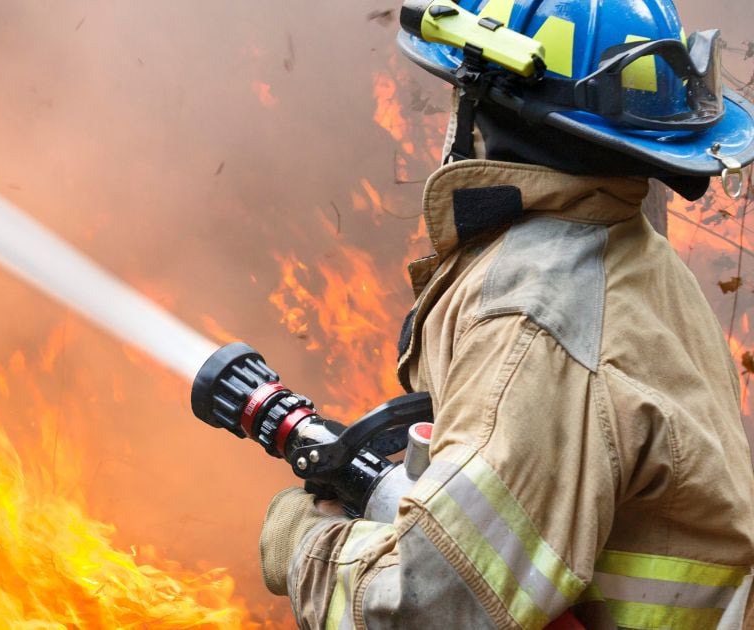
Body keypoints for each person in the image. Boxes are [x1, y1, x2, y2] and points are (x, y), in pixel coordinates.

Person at [257, 0, 754, 628]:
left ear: (486, 104)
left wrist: (304, 549)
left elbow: (429, 604)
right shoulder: (628, 255)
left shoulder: (534, 322)